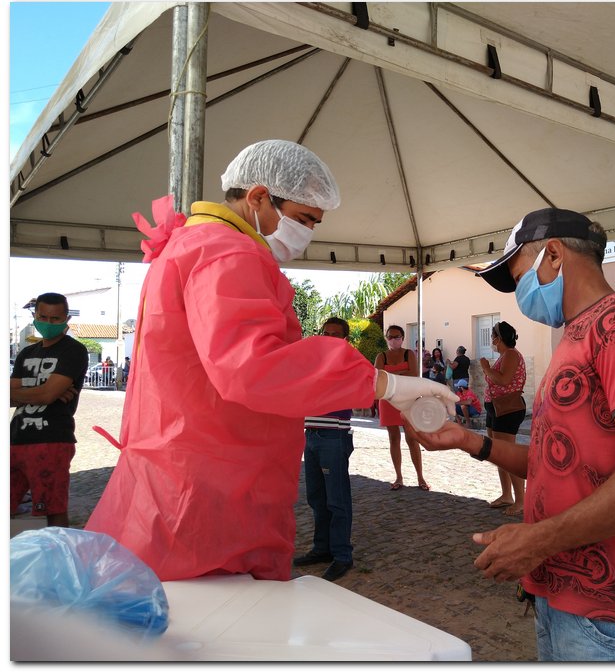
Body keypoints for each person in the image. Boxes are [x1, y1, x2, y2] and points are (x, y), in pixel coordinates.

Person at [84, 140, 455, 581]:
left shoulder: (189, 245)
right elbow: (252, 366)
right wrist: (387, 385)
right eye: (303, 219)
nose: (308, 233)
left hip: (178, 468)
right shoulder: (228, 252)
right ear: (259, 197)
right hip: (209, 481)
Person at [406, 207, 615, 662]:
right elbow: (553, 462)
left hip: (606, 611)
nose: (522, 294)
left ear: (554, 255)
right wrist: (467, 440)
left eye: (521, 278)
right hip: (559, 595)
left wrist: (537, 540)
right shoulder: (577, 334)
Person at [10, 293, 89, 528]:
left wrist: (41, 390)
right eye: (43, 317)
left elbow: (47, 395)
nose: (48, 323)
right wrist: (38, 385)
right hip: (15, 439)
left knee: (53, 510)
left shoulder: (73, 350)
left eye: (55, 319)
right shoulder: (26, 353)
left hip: (52, 440)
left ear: (66, 319)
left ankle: (59, 560)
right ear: (35, 316)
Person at [294, 317, 357, 582]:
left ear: (345, 339)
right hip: (313, 434)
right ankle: (322, 548)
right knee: (317, 498)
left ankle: (342, 555)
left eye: (336, 334)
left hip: (334, 435)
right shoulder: (313, 361)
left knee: (337, 499)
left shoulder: (349, 363)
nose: (330, 337)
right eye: (326, 333)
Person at [479, 321, 527, 516]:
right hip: (496, 409)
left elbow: (504, 379)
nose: (492, 340)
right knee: (498, 453)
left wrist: (485, 368)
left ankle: (521, 500)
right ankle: (507, 495)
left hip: (507, 410)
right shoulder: (504, 356)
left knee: (509, 455)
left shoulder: (511, 354)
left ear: (499, 338)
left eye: (493, 337)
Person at [374, 325, 431, 491]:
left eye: (397, 336)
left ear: (403, 337)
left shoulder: (409, 354)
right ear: (386, 338)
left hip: (408, 400)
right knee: (393, 439)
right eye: (390, 337)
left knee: (412, 438)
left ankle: (420, 476)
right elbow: (378, 377)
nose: (394, 340)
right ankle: (398, 476)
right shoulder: (381, 356)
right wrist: (401, 376)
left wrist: (392, 377)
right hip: (388, 401)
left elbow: (414, 374)